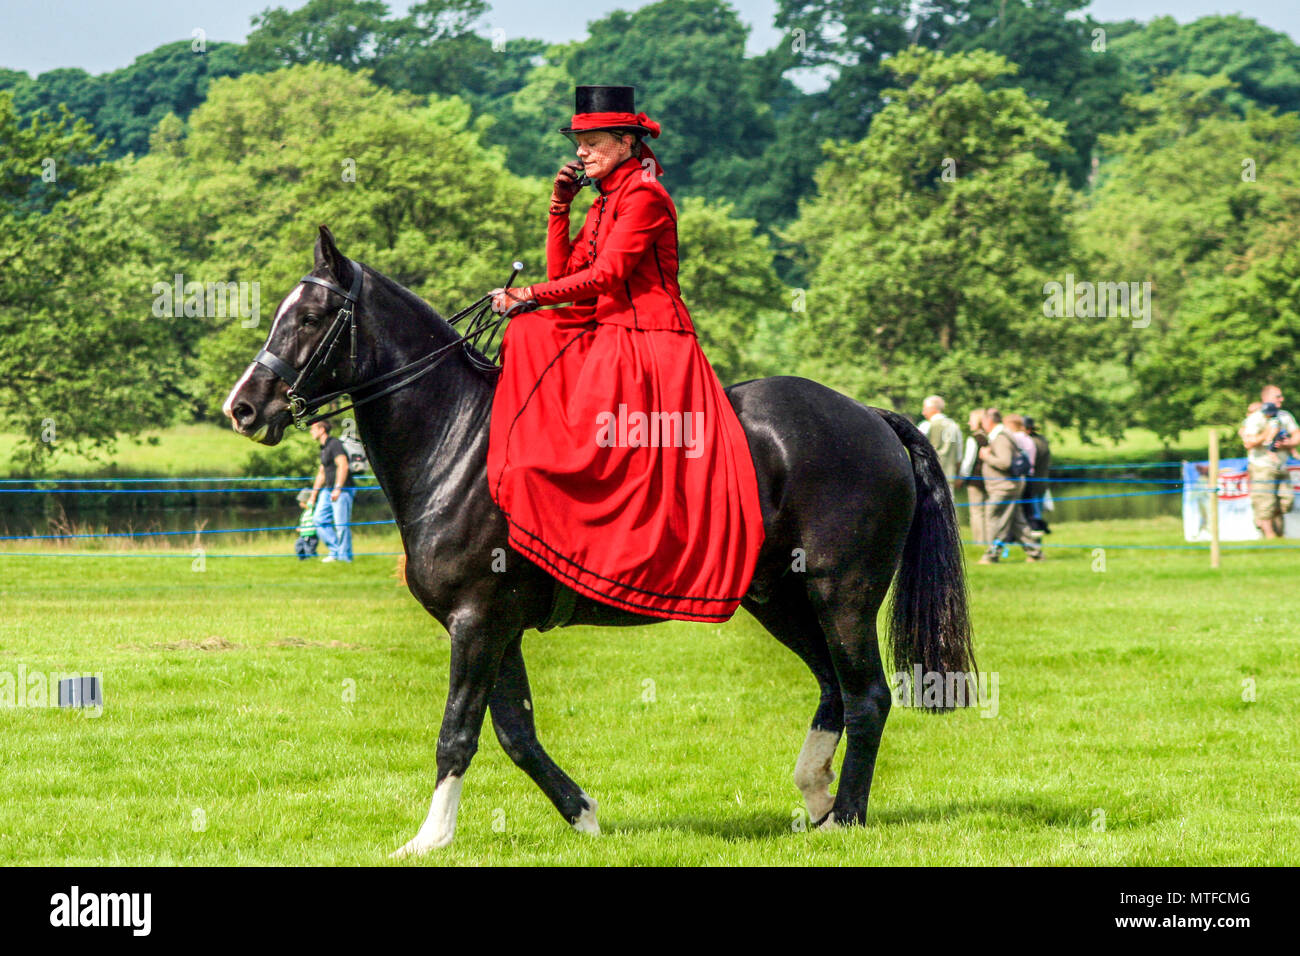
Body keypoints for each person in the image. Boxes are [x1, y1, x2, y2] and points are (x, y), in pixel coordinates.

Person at [481, 85, 764, 621]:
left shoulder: (646, 197)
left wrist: (526, 294)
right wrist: (559, 208)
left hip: (647, 338)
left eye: (592, 141)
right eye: (579, 141)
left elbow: (608, 275)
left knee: (533, 331)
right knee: (528, 333)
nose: (581, 151)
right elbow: (568, 274)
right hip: (607, 325)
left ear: (627, 142)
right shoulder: (607, 199)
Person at [977, 408, 1043, 563]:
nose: (982, 424)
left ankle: (991, 554)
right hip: (1008, 486)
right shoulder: (1003, 435)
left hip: (1003, 487)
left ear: (989, 421)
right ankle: (1035, 553)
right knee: (1017, 522)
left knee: (995, 518)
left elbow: (1005, 462)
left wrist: (987, 457)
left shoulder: (1001, 438)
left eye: (983, 421)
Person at [1240, 384, 1299, 538]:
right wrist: (1267, 434)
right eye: (1278, 396)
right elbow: (1248, 443)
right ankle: (1270, 536)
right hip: (1262, 465)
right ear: (1266, 398)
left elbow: (1296, 434)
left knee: (1287, 501)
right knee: (1264, 502)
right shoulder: (1256, 417)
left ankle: (1273, 531)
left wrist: (1288, 444)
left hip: (1281, 465)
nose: (1282, 399)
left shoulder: (1285, 416)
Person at [308, 420, 356, 563]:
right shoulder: (324, 447)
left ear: (322, 429)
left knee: (341, 525)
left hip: (343, 490)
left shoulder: (335, 444)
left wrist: (338, 488)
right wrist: (313, 496)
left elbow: (343, 465)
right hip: (327, 490)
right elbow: (322, 473)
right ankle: (335, 551)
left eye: (313, 429)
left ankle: (345, 558)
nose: (311, 432)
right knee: (319, 519)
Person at [918, 395, 962, 492]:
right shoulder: (954, 426)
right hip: (949, 476)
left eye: (925, 409)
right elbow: (958, 455)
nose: (923, 412)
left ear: (933, 409)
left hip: (930, 475)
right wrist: (958, 474)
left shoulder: (926, 426)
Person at [959, 408, 989, 547]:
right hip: (989, 479)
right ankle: (988, 539)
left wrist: (962, 477)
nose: (968, 423)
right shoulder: (989, 437)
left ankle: (979, 541)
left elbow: (968, 461)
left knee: (976, 511)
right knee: (987, 511)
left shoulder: (973, 439)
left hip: (975, 480)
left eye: (971, 420)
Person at [1003, 414, 1038, 533]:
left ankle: (1017, 533)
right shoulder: (1028, 438)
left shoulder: (1015, 438)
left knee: (1017, 507)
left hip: (1019, 475)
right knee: (1027, 506)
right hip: (1029, 474)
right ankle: (1030, 530)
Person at [1023, 416, 1052, 534]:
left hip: (1033, 480)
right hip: (1043, 478)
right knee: (1038, 507)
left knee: (1034, 510)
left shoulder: (1030, 442)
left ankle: (1036, 528)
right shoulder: (1043, 440)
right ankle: (1039, 527)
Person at [294, 488, 319, 560]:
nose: (300, 503)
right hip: (303, 534)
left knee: (309, 550)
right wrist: (300, 528)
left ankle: (313, 560)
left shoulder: (312, 509)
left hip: (311, 535)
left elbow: (311, 504)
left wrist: (310, 499)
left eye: (302, 501)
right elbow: (305, 523)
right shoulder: (305, 512)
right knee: (298, 547)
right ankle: (302, 560)